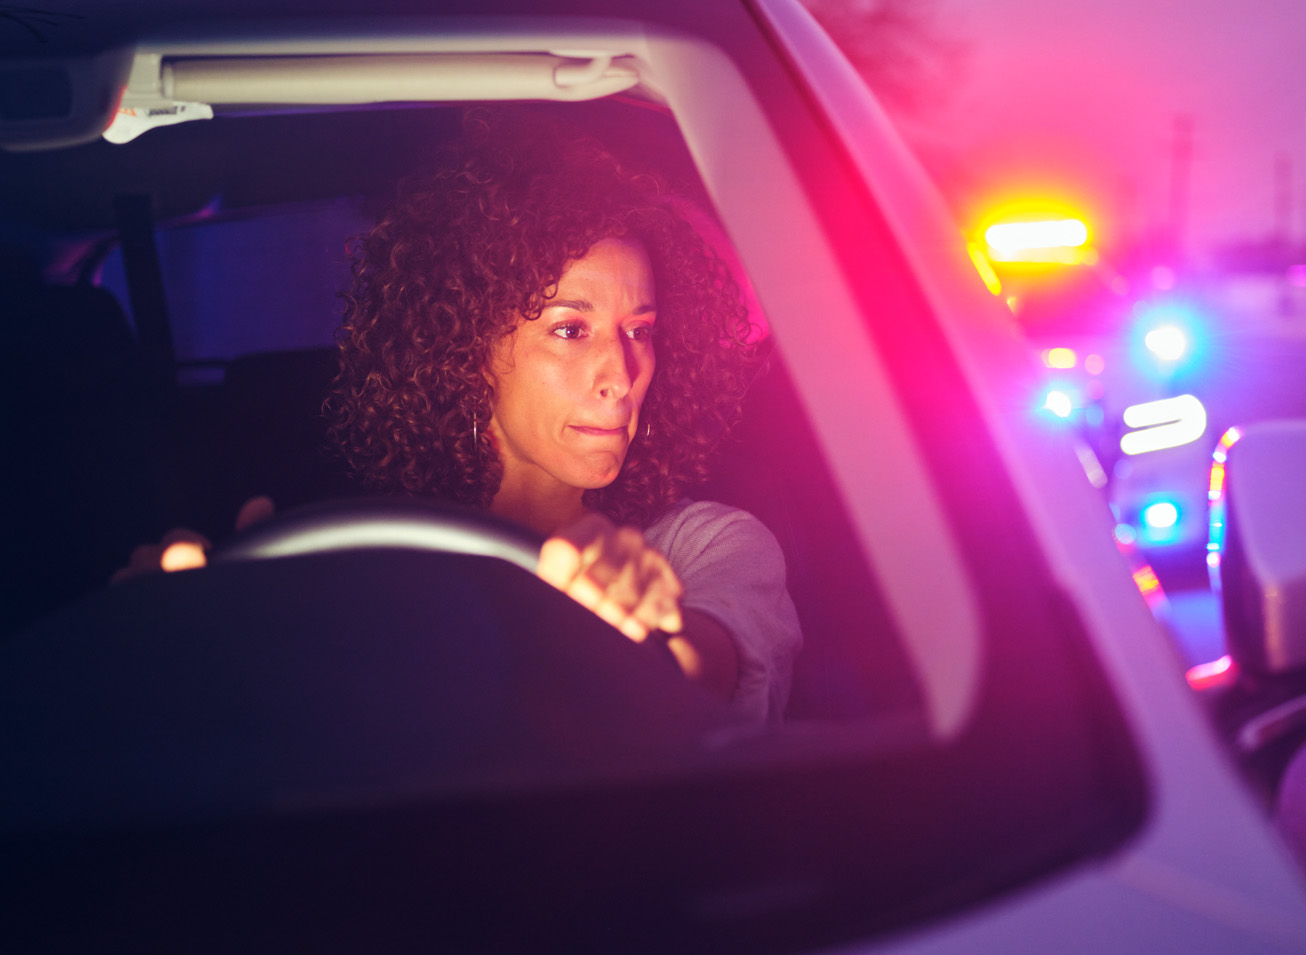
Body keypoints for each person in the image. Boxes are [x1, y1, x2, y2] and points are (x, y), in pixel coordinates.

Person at [126, 110, 802, 724]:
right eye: (571, 330)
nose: (622, 375)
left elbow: (710, 673)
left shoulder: (709, 546)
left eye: (641, 331)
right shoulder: (359, 553)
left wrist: (650, 631)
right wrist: (171, 636)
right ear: (467, 350)